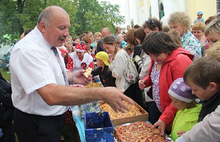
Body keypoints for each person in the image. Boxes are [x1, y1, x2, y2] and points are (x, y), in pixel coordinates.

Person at [9, 6, 133, 142]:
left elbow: (50, 75)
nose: (67, 33)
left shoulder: (48, 44)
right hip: (36, 122)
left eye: (67, 28)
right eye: (62, 28)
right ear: (43, 26)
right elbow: (50, 94)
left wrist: (72, 77)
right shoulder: (29, 50)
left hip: (48, 118)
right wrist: (101, 93)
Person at [139, 31, 193, 135]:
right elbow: (158, 76)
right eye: (150, 55)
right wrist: (146, 81)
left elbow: (181, 97)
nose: (154, 59)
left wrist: (165, 118)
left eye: (156, 55)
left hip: (176, 115)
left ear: (166, 48)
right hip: (164, 110)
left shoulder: (179, 61)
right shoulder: (158, 59)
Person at [176, 57, 220, 142]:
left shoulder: (215, 106)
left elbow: (211, 130)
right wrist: (192, 134)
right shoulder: (208, 98)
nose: (193, 93)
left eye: (195, 89)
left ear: (212, 86)